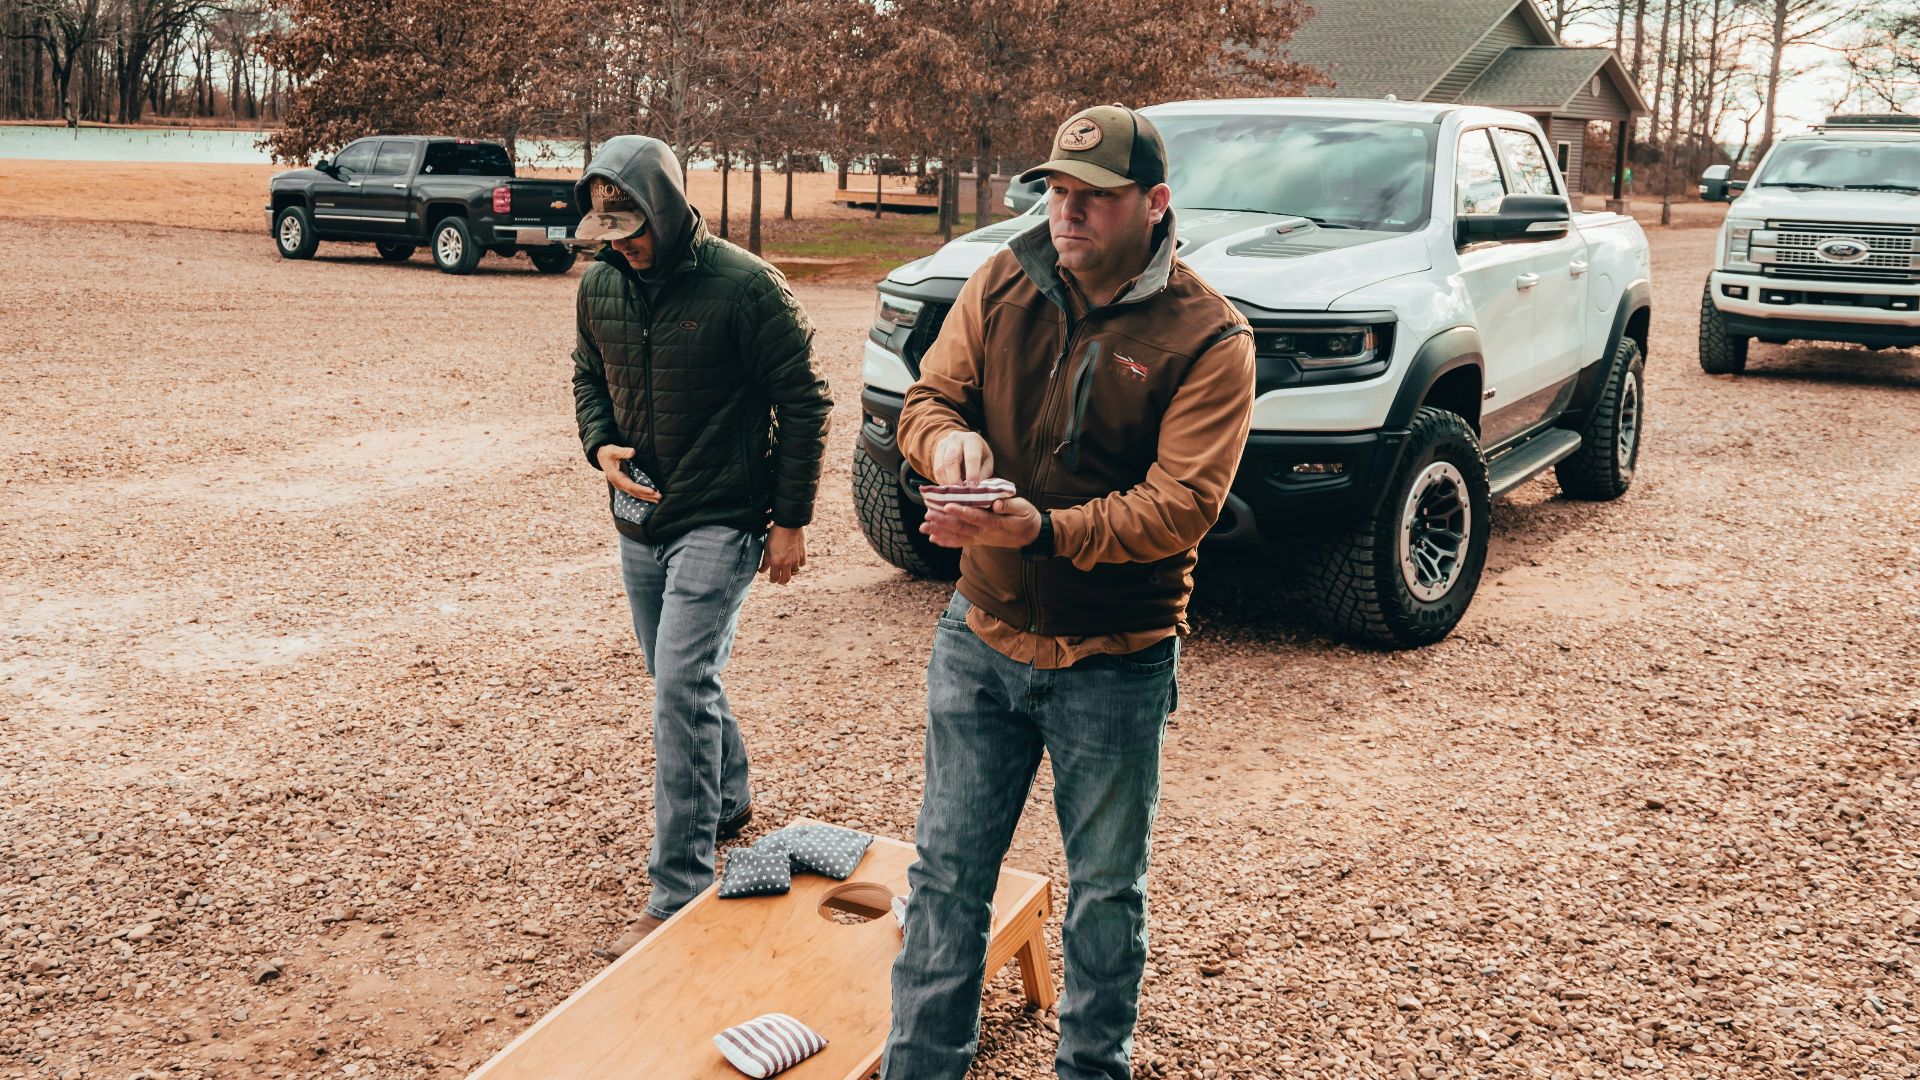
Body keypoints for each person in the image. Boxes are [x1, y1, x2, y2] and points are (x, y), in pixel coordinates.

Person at [882, 105, 1256, 1079]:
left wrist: (1044, 531)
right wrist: (943, 442)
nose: (1069, 214)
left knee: (1103, 899)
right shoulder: (1003, 277)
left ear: (1155, 204)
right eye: (1057, 191)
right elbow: (930, 395)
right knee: (946, 883)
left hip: (1117, 661)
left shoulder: (1210, 336)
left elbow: (1181, 508)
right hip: (980, 637)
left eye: (1095, 198)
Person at [569, 135, 832, 957]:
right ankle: (728, 795)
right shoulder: (602, 283)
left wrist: (789, 521)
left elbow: (808, 403)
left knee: (679, 682)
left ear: (669, 205)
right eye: (607, 229)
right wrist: (599, 445)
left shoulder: (748, 287)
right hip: (639, 517)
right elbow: (586, 375)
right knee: (676, 674)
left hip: (723, 514)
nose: (621, 243)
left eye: (633, 225)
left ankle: (677, 888)